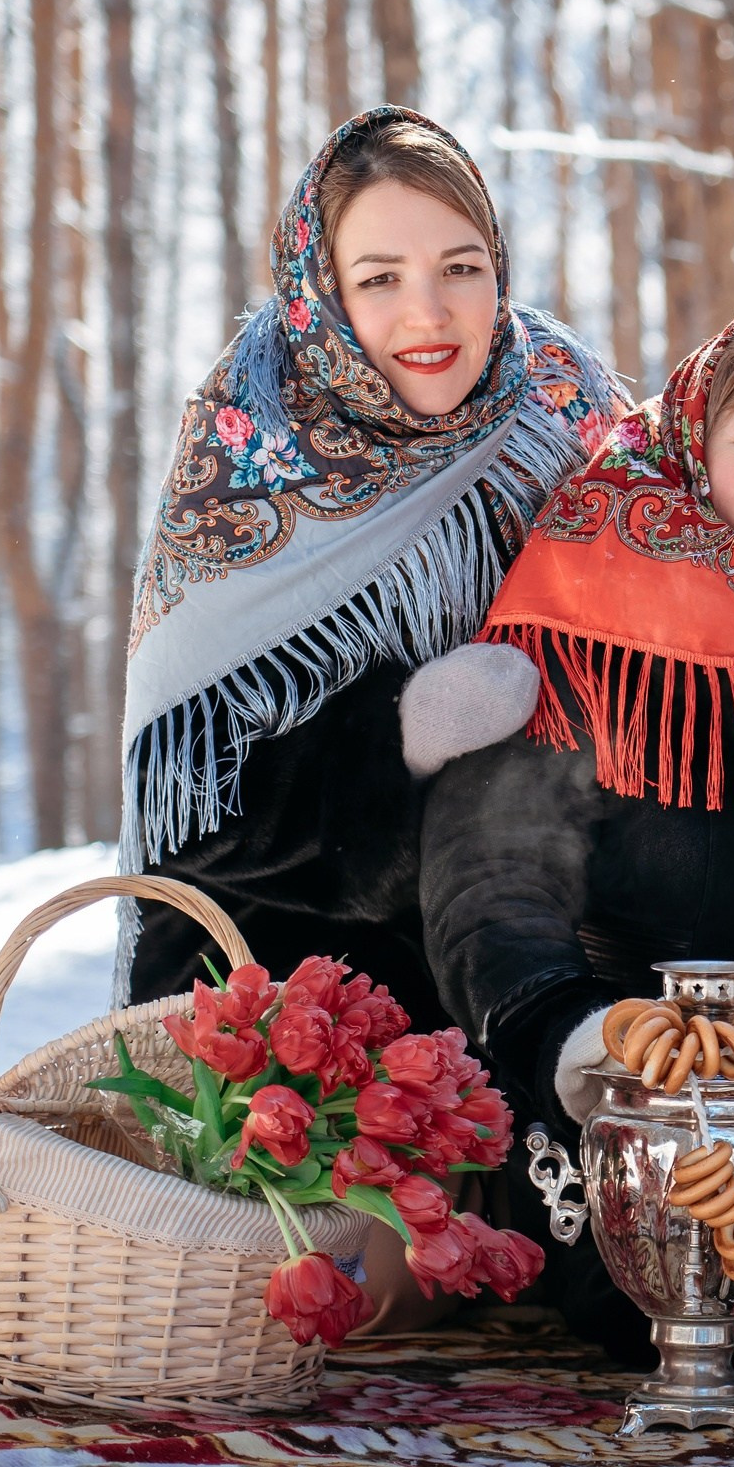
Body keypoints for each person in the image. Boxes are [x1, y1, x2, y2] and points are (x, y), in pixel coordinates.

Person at [411, 298, 734, 1358]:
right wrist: (587, 1042)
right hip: (634, 1122)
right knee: (676, 1270)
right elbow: (491, 885)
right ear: (692, 448)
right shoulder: (591, 625)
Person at [119, 107, 618, 1017]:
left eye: (460, 268)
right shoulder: (251, 440)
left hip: (529, 944)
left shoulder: (558, 403)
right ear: (325, 289)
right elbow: (197, 806)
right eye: (380, 278)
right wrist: (401, 732)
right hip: (279, 994)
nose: (429, 313)